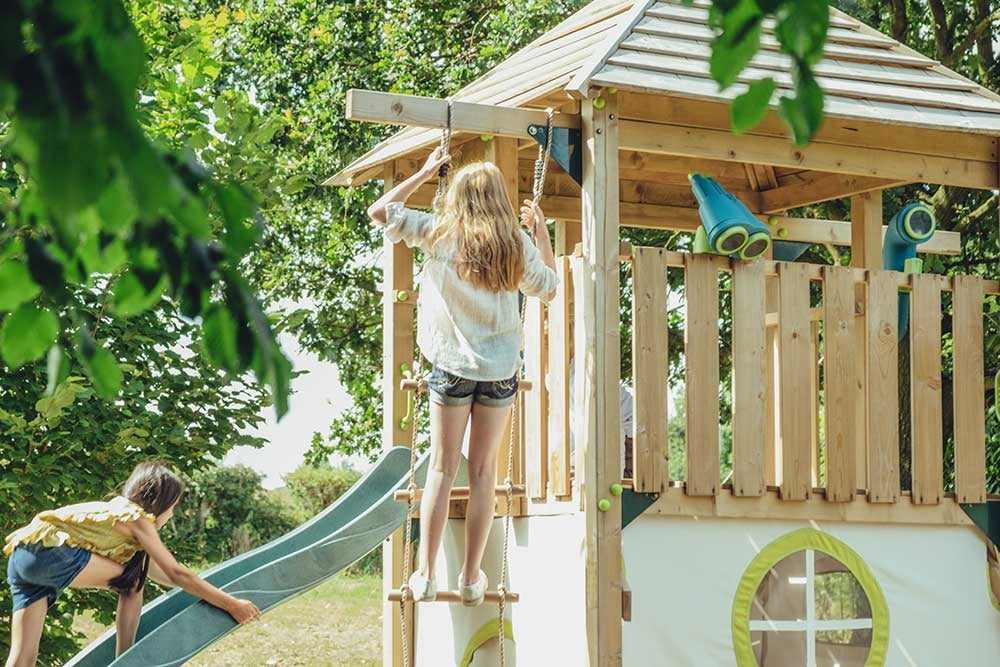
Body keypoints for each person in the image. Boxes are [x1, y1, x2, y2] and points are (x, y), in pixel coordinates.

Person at [368, 147, 558, 606]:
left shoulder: (442, 232)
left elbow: (380, 212)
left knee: (441, 467)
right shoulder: (516, 244)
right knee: (484, 473)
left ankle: (428, 572)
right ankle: (473, 577)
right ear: (499, 199)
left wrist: (423, 173)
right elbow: (549, 286)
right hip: (499, 373)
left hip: (452, 368)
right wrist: (542, 232)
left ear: (459, 196)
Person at [4, 461, 260, 667]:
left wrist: (211, 591)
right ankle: (125, 660)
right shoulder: (136, 517)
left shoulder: (121, 520)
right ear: (161, 502)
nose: (171, 515)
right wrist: (232, 604)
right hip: (50, 553)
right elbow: (177, 573)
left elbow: (167, 577)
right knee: (133, 583)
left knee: (22, 659)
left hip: (22, 556)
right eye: (173, 507)